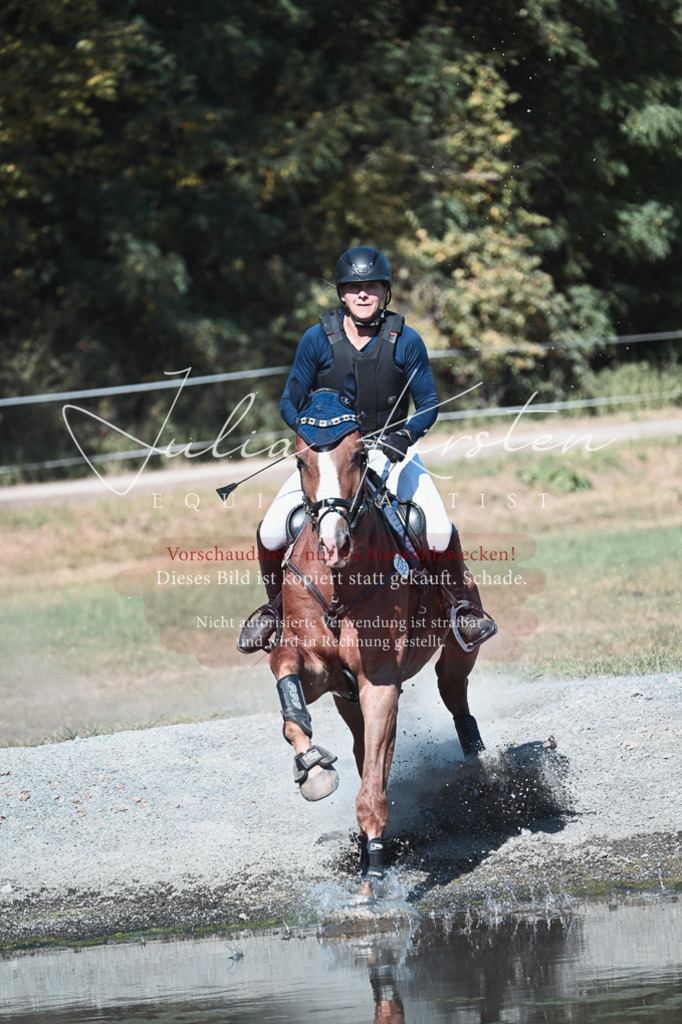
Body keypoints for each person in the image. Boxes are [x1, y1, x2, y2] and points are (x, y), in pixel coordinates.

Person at [238, 245, 497, 652]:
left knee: (438, 530)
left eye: (372, 286)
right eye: (354, 287)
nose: (363, 294)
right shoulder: (317, 339)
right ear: (342, 293)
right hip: (329, 455)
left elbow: (428, 404)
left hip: (390, 449)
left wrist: (403, 438)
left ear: (385, 292)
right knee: (272, 531)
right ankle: (275, 610)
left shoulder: (405, 340)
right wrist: (314, 438)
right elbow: (289, 402)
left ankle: (459, 607)